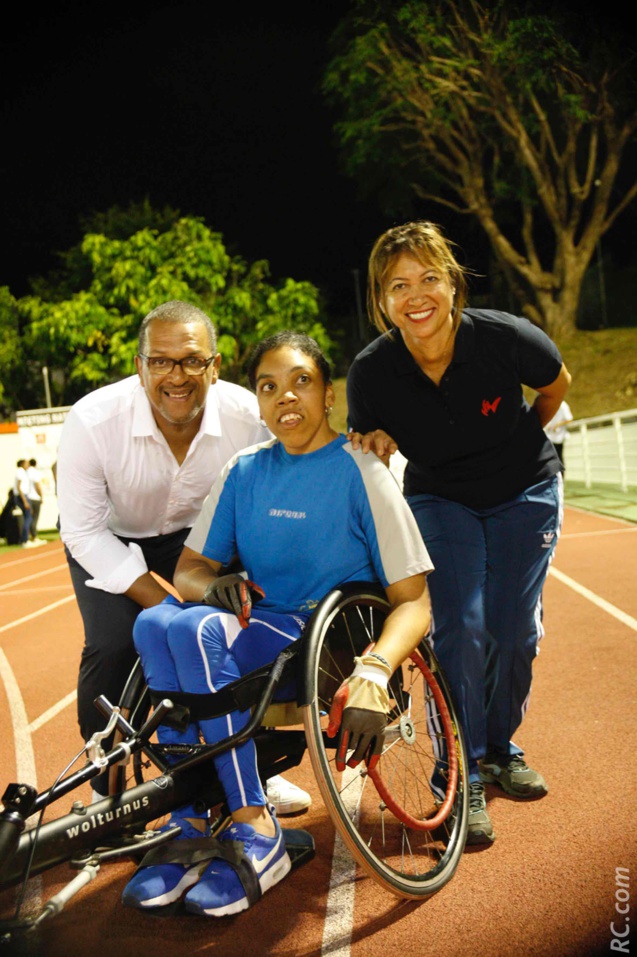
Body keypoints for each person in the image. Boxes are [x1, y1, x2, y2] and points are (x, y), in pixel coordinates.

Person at [121, 331, 432, 917]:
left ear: (328, 394)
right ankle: (188, 822)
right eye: (269, 387)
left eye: (300, 382)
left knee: (197, 633)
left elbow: (415, 601)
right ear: (257, 403)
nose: (285, 397)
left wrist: (376, 667)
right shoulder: (244, 470)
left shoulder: (362, 468)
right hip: (259, 630)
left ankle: (254, 825)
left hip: (328, 641)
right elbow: (189, 571)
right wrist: (212, 586)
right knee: (155, 624)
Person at [347, 221, 572, 846]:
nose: (415, 296)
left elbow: (556, 387)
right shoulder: (373, 371)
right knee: (462, 628)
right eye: (398, 286)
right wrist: (379, 443)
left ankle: (500, 748)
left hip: (525, 492)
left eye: (428, 279)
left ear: (452, 283)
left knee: (515, 630)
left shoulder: (504, 337)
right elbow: (369, 442)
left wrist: (521, 437)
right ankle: (460, 771)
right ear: (382, 300)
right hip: (439, 497)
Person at [56, 301, 309, 814]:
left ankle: (252, 766)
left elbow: (272, 496)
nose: (177, 376)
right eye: (162, 362)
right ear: (140, 365)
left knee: (239, 629)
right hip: (111, 536)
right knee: (112, 647)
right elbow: (81, 530)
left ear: (215, 366)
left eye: (193, 361)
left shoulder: (246, 416)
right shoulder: (92, 419)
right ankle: (106, 780)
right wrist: (162, 603)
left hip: (203, 538)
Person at [544, 400, 573, 466]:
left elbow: (569, 419)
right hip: (549, 436)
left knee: (558, 458)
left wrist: (557, 425)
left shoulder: (562, 405)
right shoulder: (549, 404)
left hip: (557, 438)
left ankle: (561, 475)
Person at [12, 460, 32, 547]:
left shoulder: (23, 472)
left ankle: (24, 539)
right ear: (22, 464)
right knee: (28, 517)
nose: (28, 465)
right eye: (26, 463)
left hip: (22, 496)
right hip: (22, 496)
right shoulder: (20, 472)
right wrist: (25, 501)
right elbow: (19, 487)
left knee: (27, 517)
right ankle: (25, 539)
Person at [26, 459, 44, 543]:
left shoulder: (26, 472)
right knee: (35, 517)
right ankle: (34, 536)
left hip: (28, 497)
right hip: (35, 497)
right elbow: (37, 485)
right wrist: (41, 496)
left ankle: (29, 535)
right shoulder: (34, 472)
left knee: (29, 517)